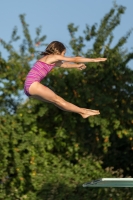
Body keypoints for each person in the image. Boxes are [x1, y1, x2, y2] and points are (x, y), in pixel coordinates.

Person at [24, 41, 107, 118]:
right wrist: (94, 60)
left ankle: (82, 112)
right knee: (58, 100)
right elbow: (75, 59)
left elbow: (65, 65)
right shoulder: (54, 56)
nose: (63, 56)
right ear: (58, 51)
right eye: (63, 53)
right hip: (32, 84)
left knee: (57, 102)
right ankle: (83, 111)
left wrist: (76, 66)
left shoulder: (48, 58)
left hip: (28, 88)